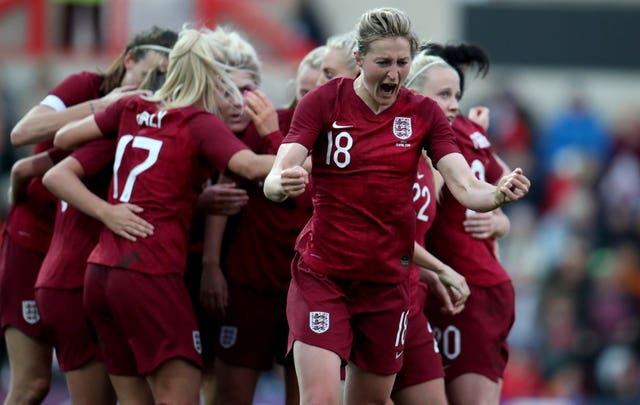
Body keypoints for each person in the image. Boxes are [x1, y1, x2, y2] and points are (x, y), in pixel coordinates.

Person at [263, 7, 530, 405]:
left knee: (370, 399)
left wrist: (498, 194)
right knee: (320, 399)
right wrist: (279, 183)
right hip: (323, 274)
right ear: (359, 59)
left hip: (386, 284)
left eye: (402, 63)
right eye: (382, 62)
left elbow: (465, 185)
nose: (393, 73)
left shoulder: (421, 114)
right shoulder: (323, 102)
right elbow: (276, 174)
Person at [45, 26, 276, 405]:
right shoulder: (198, 123)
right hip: (149, 271)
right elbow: (250, 166)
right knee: (181, 396)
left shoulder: (131, 108)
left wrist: (110, 208)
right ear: (208, 77)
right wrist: (312, 158)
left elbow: (62, 138)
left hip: (101, 273)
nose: (234, 98)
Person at [1, 26, 177, 405]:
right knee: (32, 384)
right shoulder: (88, 88)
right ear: (129, 59)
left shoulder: (145, 117)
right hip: (36, 240)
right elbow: (22, 136)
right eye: (148, 73)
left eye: (163, 78)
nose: (151, 86)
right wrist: (104, 106)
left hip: (81, 247)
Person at [202, 39, 324, 405]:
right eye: (302, 90)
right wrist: (211, 265)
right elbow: (227, 187)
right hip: (250, 284)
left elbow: (304, 197)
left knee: (305, 396)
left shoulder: (343, 143)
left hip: (308, 291)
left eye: (318, 90)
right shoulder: (270, 123)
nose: (308, 99)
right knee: (229, 396)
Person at [417, 43, 518, 405]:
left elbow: (503, 189)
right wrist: (500, 222)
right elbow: (504, 186)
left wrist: (498, 220)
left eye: (453, 95)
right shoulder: (465, 130)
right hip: (444, 284)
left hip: (465, 288)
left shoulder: (446, 134)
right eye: (445, 94)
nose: (452, 103)